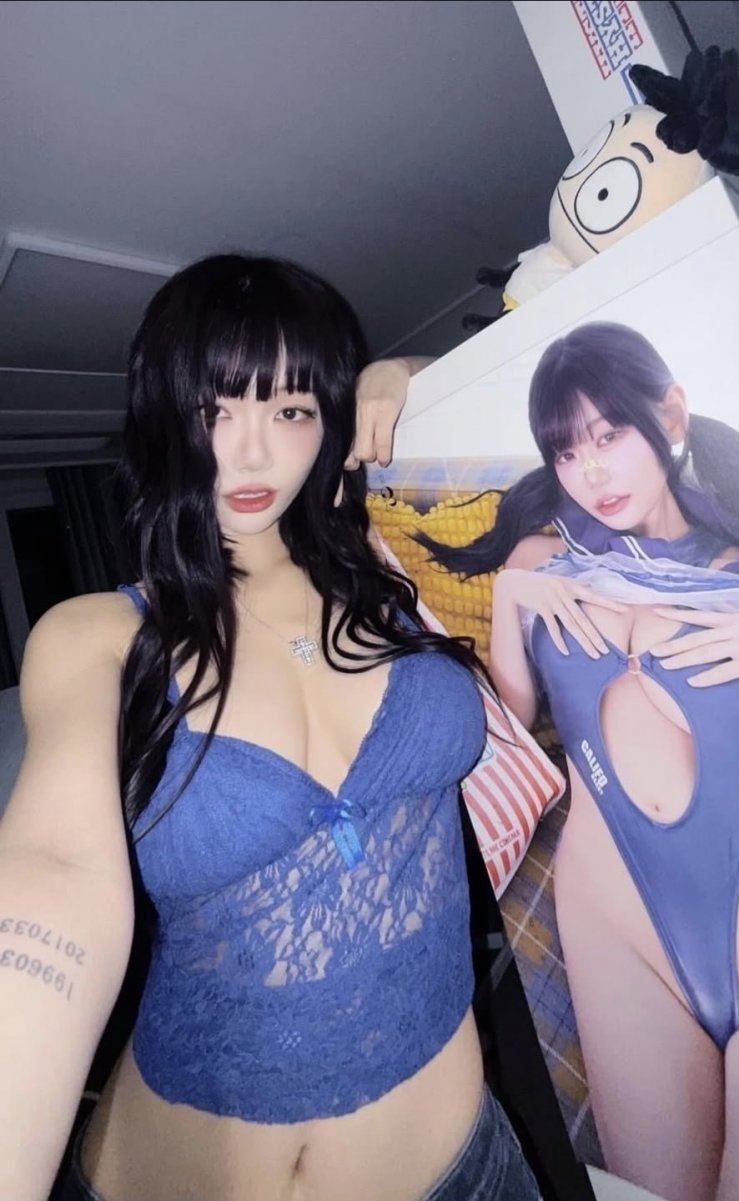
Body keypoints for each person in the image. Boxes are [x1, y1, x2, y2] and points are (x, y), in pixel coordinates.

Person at [0, 254, 541, 1201]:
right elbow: (55, 871)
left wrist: (410, 378)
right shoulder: (97, 636)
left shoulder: (389, 562)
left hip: (467, 1169)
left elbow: (539, 403)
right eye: (213, 410)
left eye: (291, 409)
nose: (250, 456)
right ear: (165, 420)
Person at [417, 321, 739, 1201]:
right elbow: (509, 736)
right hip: (622, 948)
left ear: (670, 415)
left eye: (610, 435)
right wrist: (514, 595)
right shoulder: (543, 563)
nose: (590, 472)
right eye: (567, 452)